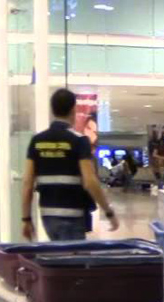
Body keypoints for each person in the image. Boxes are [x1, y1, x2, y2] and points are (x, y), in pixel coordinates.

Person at [21, 89, 120, 241]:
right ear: (74, 109)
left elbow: (27, 183)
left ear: (53, 110)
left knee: (58, 259)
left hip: (47, 216)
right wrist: (108, 212)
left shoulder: (37, 141)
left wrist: (26, 219)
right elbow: (90, 181)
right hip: (73, 216)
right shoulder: (79, 140)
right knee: (75, 262)